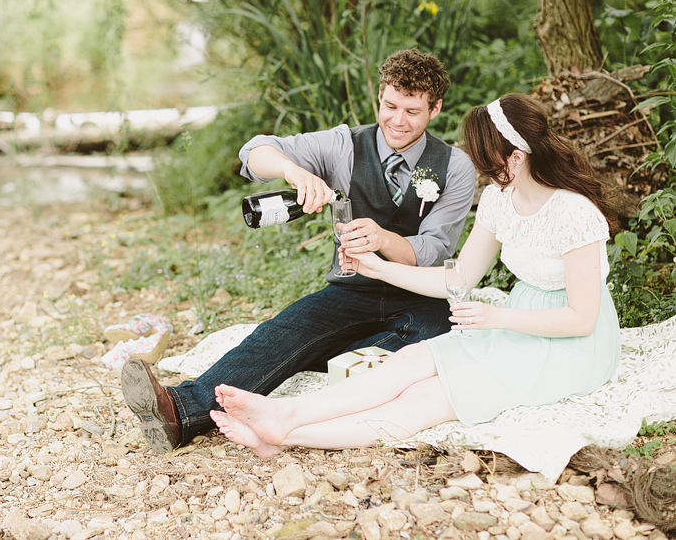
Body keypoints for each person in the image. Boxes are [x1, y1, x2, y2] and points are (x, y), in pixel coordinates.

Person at [208, 92, 622, 457]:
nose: (479, 169)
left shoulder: (574, 214)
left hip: (571, 345)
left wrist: (498, 318)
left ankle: (282, 438)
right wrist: (377, 266)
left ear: (515, 156)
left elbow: (581, 319)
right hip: (519, 323)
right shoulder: (500, 199)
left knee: (423, 398)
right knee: (407, 362)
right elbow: (455, 278)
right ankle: (283, 414)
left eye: (485, 159)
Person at [121, 48, 476, 454]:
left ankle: (311, 383)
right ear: (379, 95)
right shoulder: (343, 145)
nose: (397, 120)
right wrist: (292, 170)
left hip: (420, 295)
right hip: (351, 288)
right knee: (284, 332)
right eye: (389, 105)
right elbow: (255, 151)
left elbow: (433, 250)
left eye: (412, 111)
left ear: (435, 109)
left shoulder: (456, 166)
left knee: (430, 342)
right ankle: (181, 411)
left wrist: (382, 240)